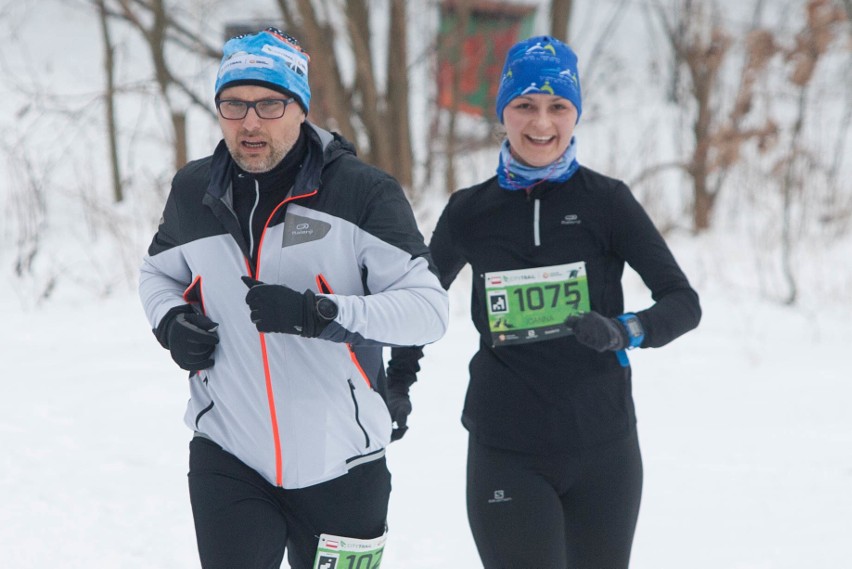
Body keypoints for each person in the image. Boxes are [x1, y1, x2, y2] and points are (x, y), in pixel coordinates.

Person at [386, 36, 701, 568]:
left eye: (558, 106)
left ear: (575, 114)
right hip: (506, 448)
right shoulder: (470, 212)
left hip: (603, 445)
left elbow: (682, 301)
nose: (541, 123)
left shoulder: (607, 203)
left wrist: (626, 330)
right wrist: (398, 381)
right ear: (502, 113)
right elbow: (419, 305)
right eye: (525, 105)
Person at [138, 27, 448, 569]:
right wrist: (170, 322)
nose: (250, 121)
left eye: (269, 104)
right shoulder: (193, 191)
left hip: (344, 464)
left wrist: (321, 314)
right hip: (228, 452)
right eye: (233, 104)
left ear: (301, 108)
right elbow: (156, 274)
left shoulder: (362, 192)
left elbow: (429, 310)